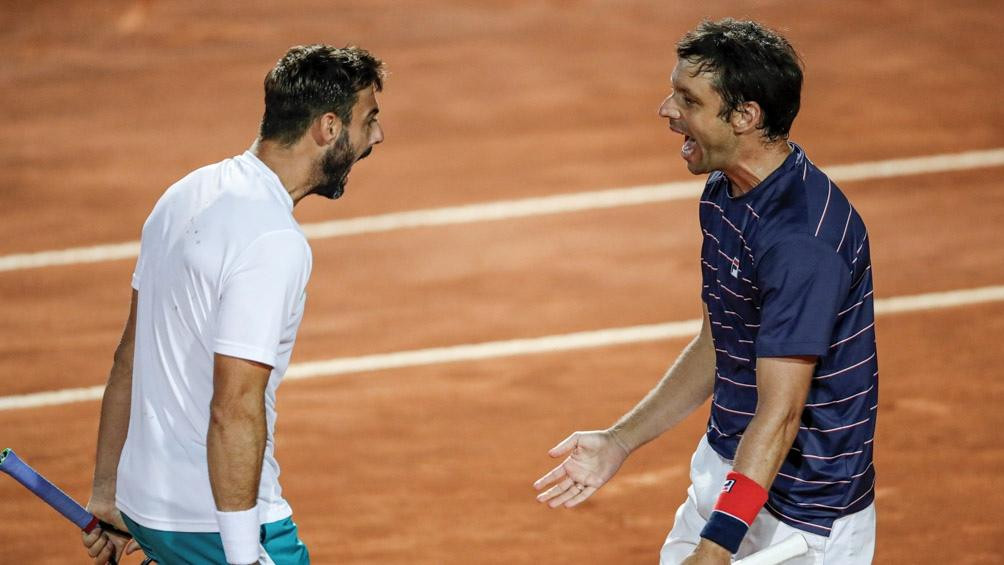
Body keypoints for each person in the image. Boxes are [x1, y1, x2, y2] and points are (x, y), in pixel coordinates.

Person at [534, 19, 877, 565]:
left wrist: (719, 544)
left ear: (744, 116)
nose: (666, 110)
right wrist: (620, 440)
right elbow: (719, 343)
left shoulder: (802, 244)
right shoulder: (725, 193)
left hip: (801, 518)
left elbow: (782, 412)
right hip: (730, 473)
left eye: (687, 99)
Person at [81, 44, 386, 565]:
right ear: (329, 128)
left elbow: (128, 358)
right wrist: (244, 557)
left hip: (145, 510)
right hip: (218, 526)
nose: (376, 136)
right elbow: (234, 408)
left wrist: (108, 496)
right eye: (369, 120)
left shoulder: (183, 194)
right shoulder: (272, 241)